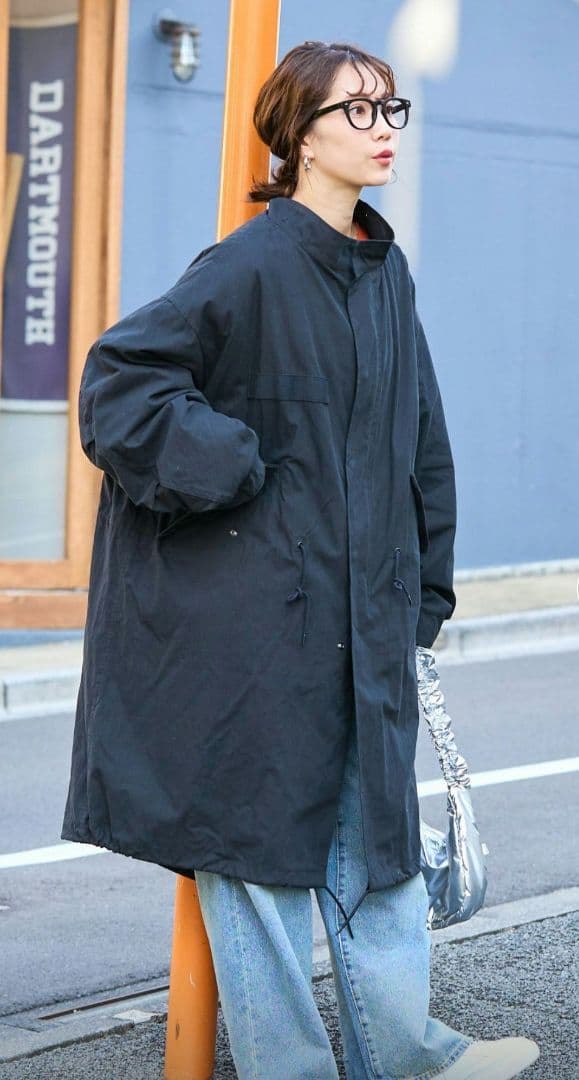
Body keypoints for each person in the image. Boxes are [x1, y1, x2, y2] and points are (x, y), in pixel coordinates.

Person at [62, 40, 540, 1080]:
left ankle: (407, 1056)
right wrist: (232, 464)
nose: (383, 129)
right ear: (300, 137)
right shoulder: (250, 263)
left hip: (360, 618)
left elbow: (421, 441)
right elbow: (120, 383)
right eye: (356, 110)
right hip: (258, 627)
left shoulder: (382, 268)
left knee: (377, 854)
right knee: (256, 863)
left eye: (389, 109)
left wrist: (425, 592)